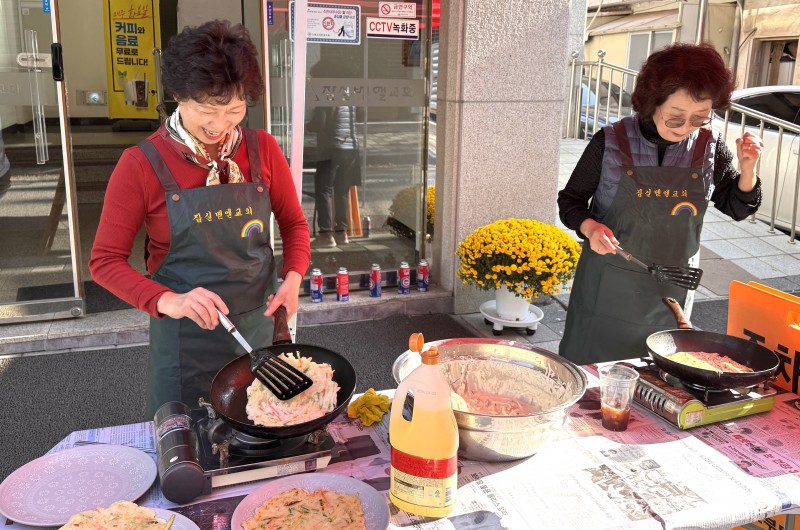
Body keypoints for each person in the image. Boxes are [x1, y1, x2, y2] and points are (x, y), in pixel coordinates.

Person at [89, 20, 310, 417]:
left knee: (267, 432)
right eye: (207, 110)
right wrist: (169, 301)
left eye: (234, 109)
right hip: (183, 342)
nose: (219, 125)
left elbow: (294, 224)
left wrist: (293, 279)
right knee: (188, 459)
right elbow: (104, 262)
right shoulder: (141, 164)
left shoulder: (262, 149)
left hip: (258, 328)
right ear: (178, 96)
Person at [557, 42, 763, 365]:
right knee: (592, 386)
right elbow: (569, 201)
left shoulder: (709, 148)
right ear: (652, 103)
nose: (685, 129)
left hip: (671, 296)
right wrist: (590, 226)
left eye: (699, 119)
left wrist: (748, 171)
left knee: (658, 382)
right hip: (606, 294)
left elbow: (737, 206)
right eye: (675, 118)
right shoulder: (609, 142)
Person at [307, 103, 360, 247]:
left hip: (331, 149)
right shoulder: (349, 97)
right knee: (342, 190)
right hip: (351, 148)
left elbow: (320, 123)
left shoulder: (325, 96)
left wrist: (307, 126)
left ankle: (326, 235)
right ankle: (342, 233)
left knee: (324, 189)